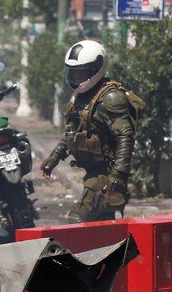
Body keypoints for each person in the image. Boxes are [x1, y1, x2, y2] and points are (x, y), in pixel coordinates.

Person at [40, 40, 142, 222]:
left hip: (105, 174)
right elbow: (72, 131)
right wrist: (53, 158)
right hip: (91, 171)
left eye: (82, 72)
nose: (76, 77)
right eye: (73, 72)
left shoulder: (111, 98)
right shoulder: (81, 96)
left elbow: (125, 136)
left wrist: (118, 175)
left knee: (77, 219)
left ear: (96, 68)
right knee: (101, 226)